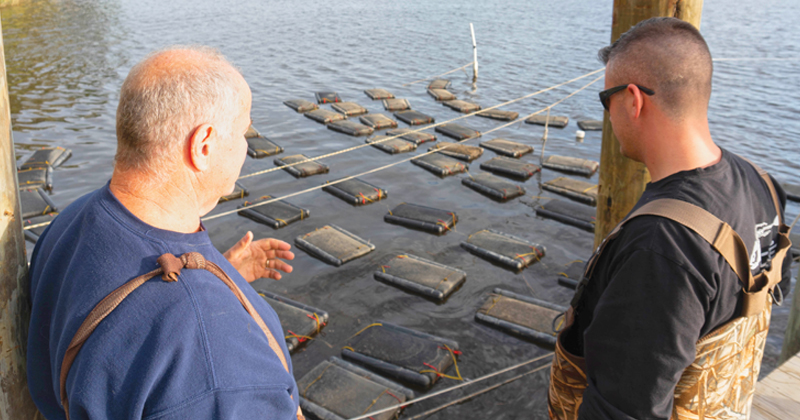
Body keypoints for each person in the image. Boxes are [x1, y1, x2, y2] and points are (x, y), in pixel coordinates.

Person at [27, 46, 304, 419]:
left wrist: (222, 276)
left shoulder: (72, 222)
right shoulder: (213, 356)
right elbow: (195, 356)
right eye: (242, 131)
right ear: (202, 146)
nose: (246, 147)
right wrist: (204, 294)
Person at [547, 17, 792, 420]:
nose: (608, 116)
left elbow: (623, 411)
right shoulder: (763, 184)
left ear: (632, 100)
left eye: (605, 100)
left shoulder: (661, 246)